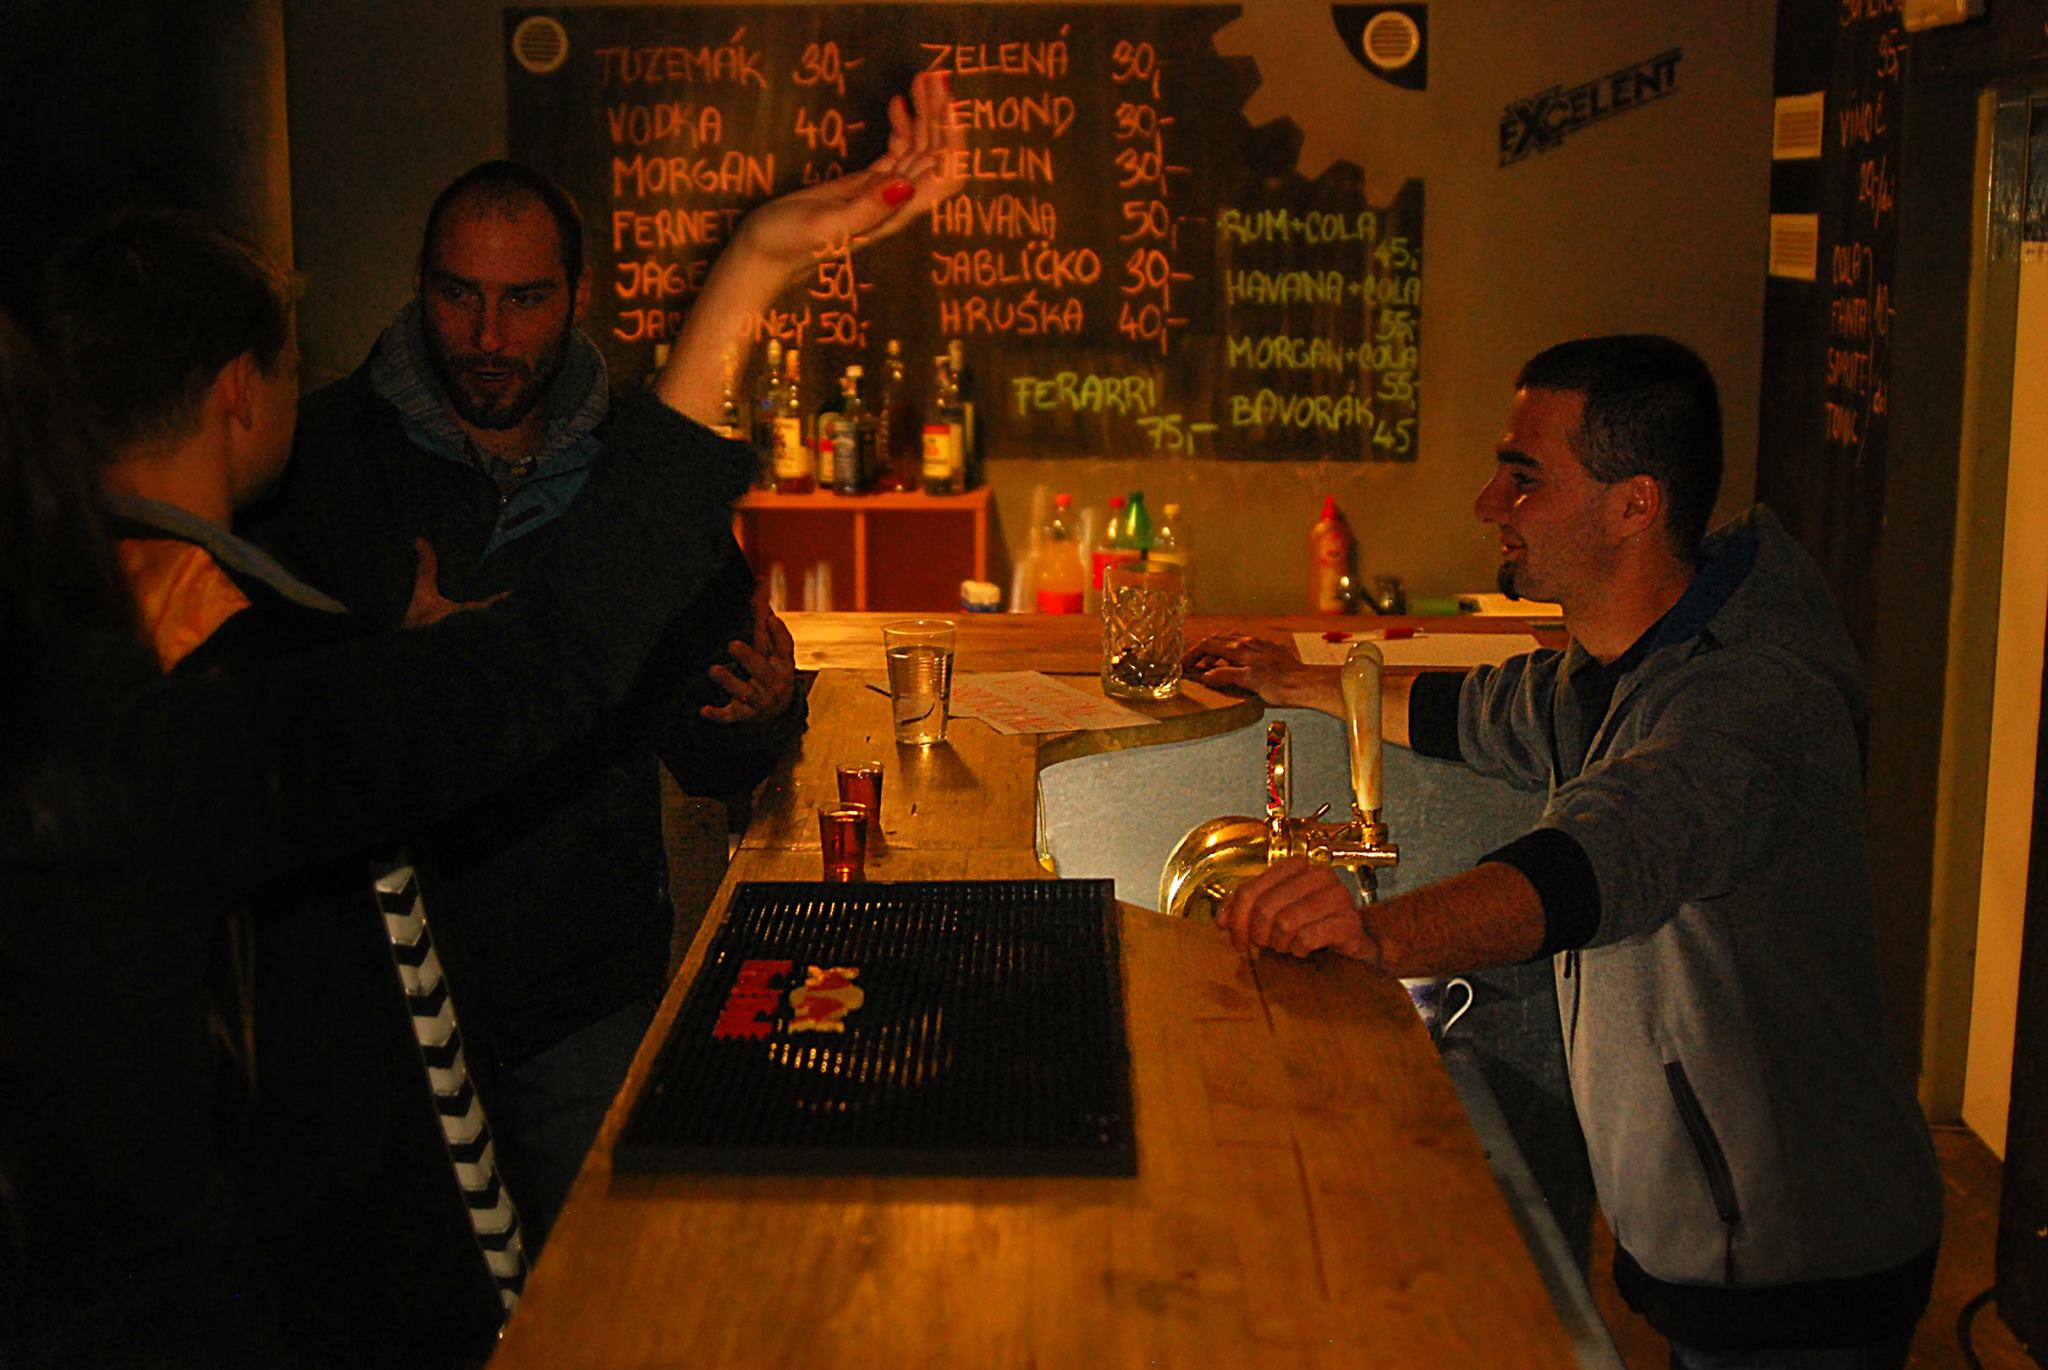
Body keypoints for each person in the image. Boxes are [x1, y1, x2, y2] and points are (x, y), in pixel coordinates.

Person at [250, 70, 961, 1248]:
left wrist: (762, 710)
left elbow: (708, 741)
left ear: (576, 297)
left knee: (608, 1275)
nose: (487, 336)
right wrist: (392, 667)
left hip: (582, 976)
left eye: (522, 300)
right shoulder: (318, 456)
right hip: (368, 997)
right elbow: (251, 724)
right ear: (419, 288)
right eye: (458, 296)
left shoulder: (637, 470)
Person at [1189, 336, 1942, 1367]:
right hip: (1723, 1241)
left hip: (1802, 1258)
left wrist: (1374, 935)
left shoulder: (1748, 700)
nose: (1487, 503)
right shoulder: (1612, 663)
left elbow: (1597, 859)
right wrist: (1309, 683)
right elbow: (1481, 711)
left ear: (1633, 505)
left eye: (1524, 477)